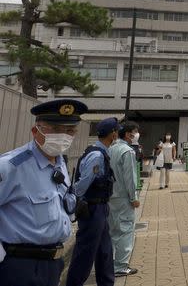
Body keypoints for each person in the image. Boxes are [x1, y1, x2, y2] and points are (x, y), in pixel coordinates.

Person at [0, 99, 85, 286]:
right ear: (35, 131)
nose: (63, 136)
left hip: (53, 264)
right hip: (18, 267)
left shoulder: (60, 163)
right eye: (55, 129)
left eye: (70, 131)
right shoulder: (11, 166)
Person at [66, 117, 118, 286]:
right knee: (86, 252)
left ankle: (106, 282)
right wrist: (75, 200)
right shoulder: (96, 155)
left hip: (100, 207)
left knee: (105, 251)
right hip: (92, 208)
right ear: (113, 134)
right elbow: (83, 184)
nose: (117, 133)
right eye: (116, 131)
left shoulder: (100, 152)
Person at [108, 120, 141, 277]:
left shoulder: (111, 149)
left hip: (110, 196)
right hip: (123, 197)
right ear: (128, 134)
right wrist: (134, 197)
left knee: (112, 231)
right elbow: (130, 177)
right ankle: (120, 266)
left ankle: (109, 263)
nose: (136, 135)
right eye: (134, 132)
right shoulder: (127, 151)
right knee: (125, 230)